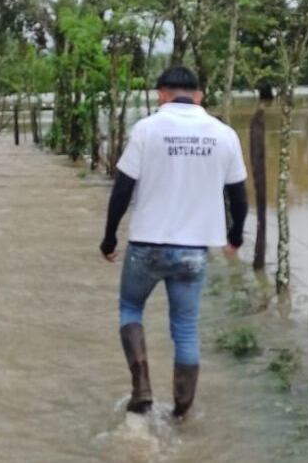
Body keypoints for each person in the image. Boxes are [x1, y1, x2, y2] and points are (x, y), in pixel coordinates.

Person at [100, 66, 248, 419]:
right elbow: (239, 195)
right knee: (185, 327)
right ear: (198, 96)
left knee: (131, 310)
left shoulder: (147, 129)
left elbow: (123, 188)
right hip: (193, 251)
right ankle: (182, 412)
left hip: (146, 246)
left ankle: (142, 388)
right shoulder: (224, 134)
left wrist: (109, 237)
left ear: (160, 94)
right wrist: (235, 235)